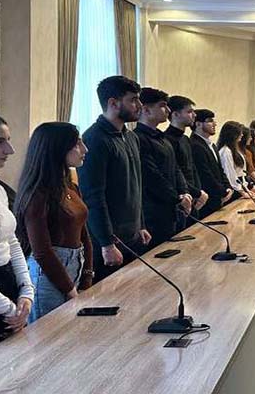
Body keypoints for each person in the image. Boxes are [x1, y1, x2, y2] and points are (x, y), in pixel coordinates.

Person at [15, 123, 92, 323]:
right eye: (77, 144)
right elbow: (42, 252)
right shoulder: (37, 194)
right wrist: (69, 289)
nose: (84, 149)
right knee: (50, 335)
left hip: (75, 267)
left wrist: (87, 274)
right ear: (57, 149)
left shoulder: (70, 186)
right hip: (49, 275)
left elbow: (84, 233)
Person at [77, 76, 151, 282]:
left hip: (132, 235)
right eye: (133, 100)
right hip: (109, 242)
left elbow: (136, 185)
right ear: (113, 103)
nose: (139, 105)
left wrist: (141, 224)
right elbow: (93, 196)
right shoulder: (94, 139)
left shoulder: (131, 137)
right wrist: (106, 243)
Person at [0, 111, 34, 353]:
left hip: (6, 289)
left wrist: (26, 291)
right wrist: (10, 309)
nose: (10, 150)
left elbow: (11, 242)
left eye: (8, 140)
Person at [135, 88, 192, 248]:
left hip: (172, 208)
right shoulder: (138, 138)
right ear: (146, 110)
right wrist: (177, 198)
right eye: (162, 105)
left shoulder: (163, 138)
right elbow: (152, 177)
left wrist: (184, 192)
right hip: (153, 212)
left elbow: (176, 168)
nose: (167, 110)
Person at [165, 96, 208, 218]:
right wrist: (195, 192)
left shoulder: (185, 139)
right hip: (182, 199)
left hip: (194, 196)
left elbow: (193, 168)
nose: (194, 115)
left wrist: (199, 192)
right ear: (175, 114)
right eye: (189, 112)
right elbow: (175, 173)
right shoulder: (167, 140)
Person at [190, 110, 236, 218]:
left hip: (218, 197)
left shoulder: (212, 145)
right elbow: (205, 174)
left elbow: (220, 170)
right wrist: (223, 192)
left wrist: (228, 187)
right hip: (207, 199)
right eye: (210, 121)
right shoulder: (195, 145)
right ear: (198, 124)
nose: (214, 124)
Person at [218, 121, 255, 196]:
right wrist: (241, 191)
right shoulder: (226, 151)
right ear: (233, 135)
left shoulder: (235, 150)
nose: (242, 135)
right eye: (240, 133)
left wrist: (246, 189)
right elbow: (230, 174)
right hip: (234, 189)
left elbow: (241, 172)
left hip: (240, 187)